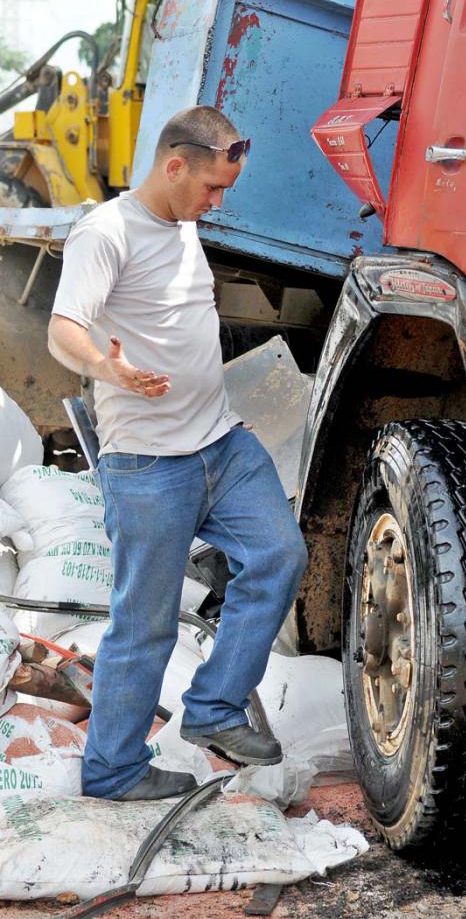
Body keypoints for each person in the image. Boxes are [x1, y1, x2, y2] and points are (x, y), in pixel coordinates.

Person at [48, 105, 308, 801]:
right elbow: (63, 329)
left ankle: (214, 710)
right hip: (148, 465)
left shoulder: (181, 222)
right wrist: (110, 370)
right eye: (212, 188)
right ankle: (112, 771)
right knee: (146, 626)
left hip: (222, 446)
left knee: (280, 556)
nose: (217, 203)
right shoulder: (104, 234)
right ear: (173, 166)